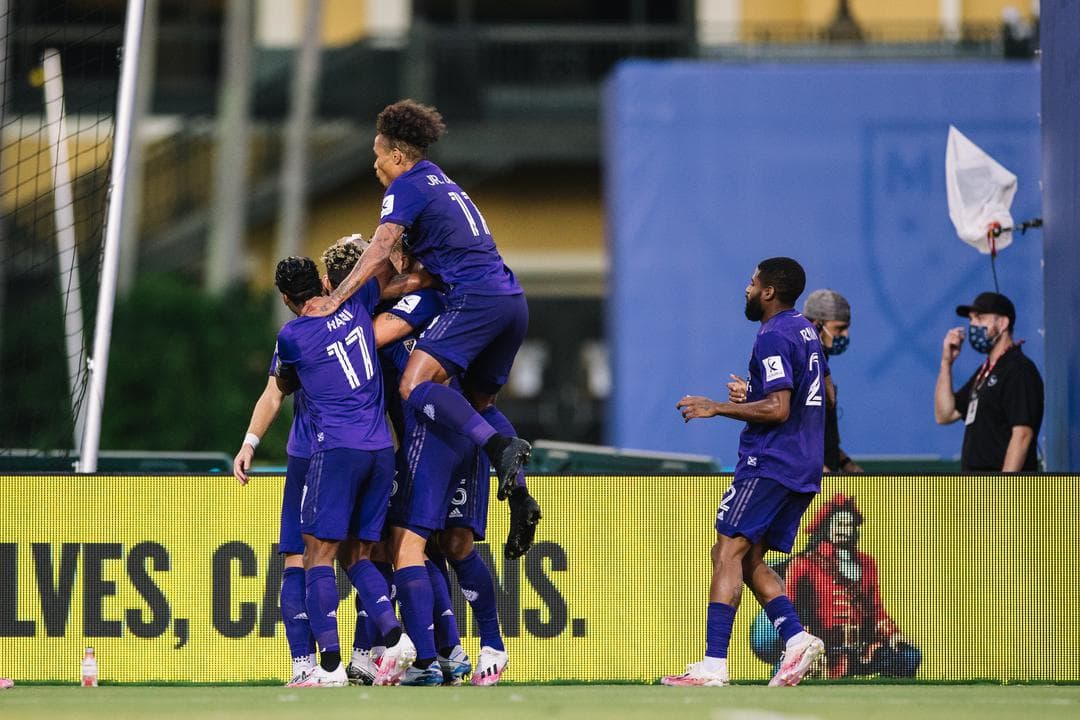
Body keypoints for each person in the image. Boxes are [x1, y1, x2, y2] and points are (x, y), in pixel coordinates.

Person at [300, 99, 532, 504]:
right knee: (479, 403)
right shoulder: (439, 180)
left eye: (378, 157)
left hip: (475, 298)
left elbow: (379, 249)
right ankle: (522, 497)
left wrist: (335, 299)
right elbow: (427, 269)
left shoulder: (406, 186)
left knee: (414, 384)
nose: (375, 166)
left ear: (396, 155)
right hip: (511, 300)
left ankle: (499, 449)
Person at [663, 257, 827, 688]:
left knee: (728, 551)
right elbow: (804, 391)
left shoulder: (772, 334)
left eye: (753, 283)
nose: (748, 288)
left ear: (769, 291)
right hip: (803, 461)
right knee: (748, 556)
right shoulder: (804, 329)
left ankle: (713, 666)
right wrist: (751, 393)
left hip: (773, 460)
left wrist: (718, 406)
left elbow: (779, 407)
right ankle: (795, 639)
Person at [272, 255, 414, 687]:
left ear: (284, 298)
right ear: (322, 279)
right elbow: (387, 275)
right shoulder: (357, 303)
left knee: (317, 554)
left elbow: (282, 385)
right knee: (359, 554)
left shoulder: (292, 337)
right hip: (380, 450)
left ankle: (329, 667)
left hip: (335, 450)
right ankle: (394, 638)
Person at [783, 494, 921, 679]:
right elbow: (790, 607)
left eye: (849, 525)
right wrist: (805, 645)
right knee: (784, 670)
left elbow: (876, 609)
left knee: (908, 656)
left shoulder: (866, 563)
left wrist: (892, 634)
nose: (844, 530)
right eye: (839, 524)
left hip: (861, 650)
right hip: (821, 649)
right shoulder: (805, 563)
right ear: (827, 527)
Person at [934, 291, 1043, 472]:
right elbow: (945, 414)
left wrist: (1002, 492)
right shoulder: (985, 372)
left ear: (1002, 323)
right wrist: (946, 362)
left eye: (980, 318)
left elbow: (1022, 434)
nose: (973, 325)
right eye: (971, 320)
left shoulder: (1018, 370)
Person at [802, 289, 863, 474]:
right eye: (839, 328)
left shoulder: (821, 363)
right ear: (816, 325)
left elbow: (820, 437)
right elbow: (789, 432)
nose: (845, 335)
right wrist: (818, 469)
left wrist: (846, 464)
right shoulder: (801, 365)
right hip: (806, 482)